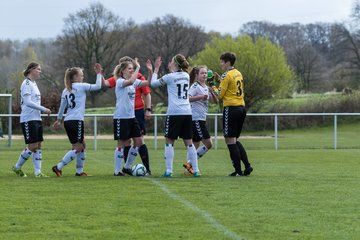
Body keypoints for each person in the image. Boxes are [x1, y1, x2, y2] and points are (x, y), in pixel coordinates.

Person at [148, 54, 200, 177]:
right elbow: (176, 77)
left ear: (175, 63)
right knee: (189, 142)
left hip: (174, 113)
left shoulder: (169, 77)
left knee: (169, 141)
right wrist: (171, 69)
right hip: (187, 112)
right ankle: (196, 170)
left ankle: (169, 171)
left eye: (171, 61)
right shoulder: (186, 76)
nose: (170, 62)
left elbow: (153, 83)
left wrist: (155, 69)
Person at [52, 64, 103, 177]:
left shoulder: (66, 90)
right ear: (74, 77)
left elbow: (62, 107)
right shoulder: (81, 86)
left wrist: (59, 120)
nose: (82, 77)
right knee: (78, 147)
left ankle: (79, 172)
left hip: (68, 121)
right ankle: (58, 167)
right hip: (76, 121)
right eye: (81, 75)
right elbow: (98, 86)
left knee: (82, 145)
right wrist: (99, 73)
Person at [104, 56, 152, 175]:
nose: (132, 70)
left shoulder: (134, 81)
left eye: (132, 68)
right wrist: (138, 67)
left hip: (132, 118)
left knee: (138, 142)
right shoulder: (120, 81)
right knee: (121, 144)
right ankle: (117, 171)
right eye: (130, 68)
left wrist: (151, 71)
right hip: (121, 118)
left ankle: (127, 167)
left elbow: (149, 82)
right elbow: (130, 81)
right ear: (123, 71)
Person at [212, 52, 253, 176]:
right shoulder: (237, 73)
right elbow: (232, 87)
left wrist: (212, 86)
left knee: (230, 140)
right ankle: (247, 166)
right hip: (241, 108)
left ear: (228, 62)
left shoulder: (226, 75)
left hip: (231, 109)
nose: (221, 64)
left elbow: (219, 95)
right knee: (235, 140)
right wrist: (220, 80)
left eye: (222, 62)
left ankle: (238, 171)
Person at [12, 62, 51, 177]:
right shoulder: (26, 83)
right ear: (31, 70)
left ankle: (38, 172)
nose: (40, 71)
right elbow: (28, 102)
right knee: (32, 146)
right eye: (38, 69)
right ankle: (17, 167)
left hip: (36, 118)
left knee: (38, 145)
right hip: (28, 119)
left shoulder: (34, 84)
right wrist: (44, 109)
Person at [183, 66, 218, 175]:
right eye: (202, 73)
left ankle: (188, 169)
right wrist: (200, 97)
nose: (204, 75)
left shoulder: (206, 87)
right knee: (208, 144)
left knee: (195, 144)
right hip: (195, 118)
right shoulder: (195, 86)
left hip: (201, 119)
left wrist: (212, 91)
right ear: (197, 75)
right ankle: (189, 163)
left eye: (206, 73)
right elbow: (187, 98)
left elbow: (215, 102)